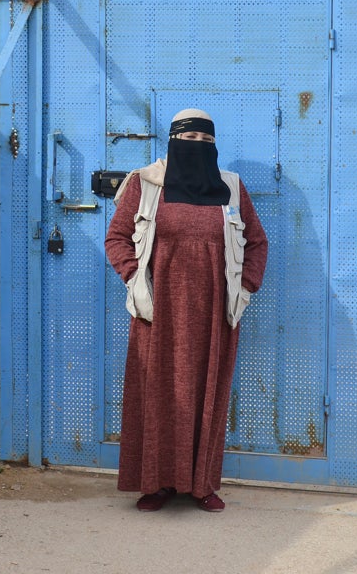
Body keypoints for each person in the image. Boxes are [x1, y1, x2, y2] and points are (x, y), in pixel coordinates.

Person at [104, 108, 269, 513]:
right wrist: (133, 280)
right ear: (174, 141)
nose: (198, 147)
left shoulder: (231, 188)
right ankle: (155, 484)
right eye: (190, 140)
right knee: (156, 395)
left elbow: (258, 243)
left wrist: (245, 288)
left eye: (206, 142)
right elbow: (117, 238)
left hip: (214, 314)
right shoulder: (146, 185)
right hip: (158, 313)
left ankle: (202, 485)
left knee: (207, 395)